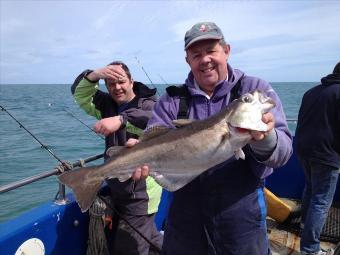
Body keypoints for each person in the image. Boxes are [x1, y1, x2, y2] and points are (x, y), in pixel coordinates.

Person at [130, 22, 293, 254]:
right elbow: (154, 137)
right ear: (188, 61)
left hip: (241, 215)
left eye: (211, 51)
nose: (204, 59)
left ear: (226, 51)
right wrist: (139, 156)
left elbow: (283, 153)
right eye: (196, 54)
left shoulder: (255, 88)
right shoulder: (172, 99)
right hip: (185, 219)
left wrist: (265, 138)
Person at [71, 61, 163, 255]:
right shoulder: (107, 105)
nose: (117, 88)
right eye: (110, 83)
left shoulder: (149, 104)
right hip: (117, 186)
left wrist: (122, 120)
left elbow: (154, 119)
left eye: (121, 81)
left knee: (128, 248)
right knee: (150, 238)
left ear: (131, 81)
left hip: (141, 192)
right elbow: (79, 94)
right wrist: (94, 74)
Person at [295, 62, 340, 255]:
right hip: (327, 154)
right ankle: (310, 249)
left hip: (304, 149)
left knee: (311, 190)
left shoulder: (311, 92)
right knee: (321, 202)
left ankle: (305, 228)